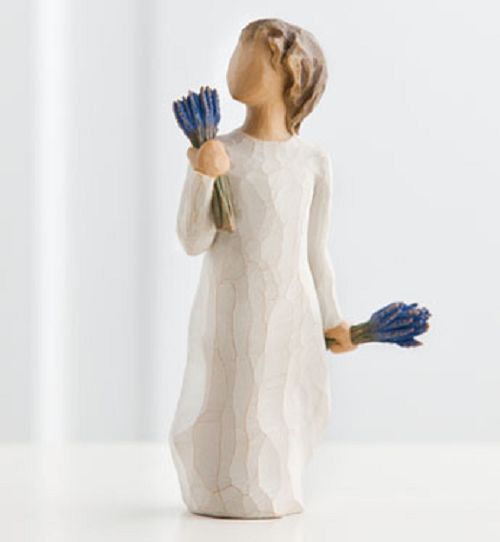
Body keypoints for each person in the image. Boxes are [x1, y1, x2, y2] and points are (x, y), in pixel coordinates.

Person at [170, 18, 357, 519]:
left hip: (289, 314)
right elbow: (193, 238)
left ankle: (270, 487)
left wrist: (332, 320)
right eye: (238, 49)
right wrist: (203, 174)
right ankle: (215, 486)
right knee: (225, 396)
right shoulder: (221, 151)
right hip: (228, 308)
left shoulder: (312, 162)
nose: (236, 61)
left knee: (277, 404)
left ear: (290, 75)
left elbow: (315, 251)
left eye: (254, 53)